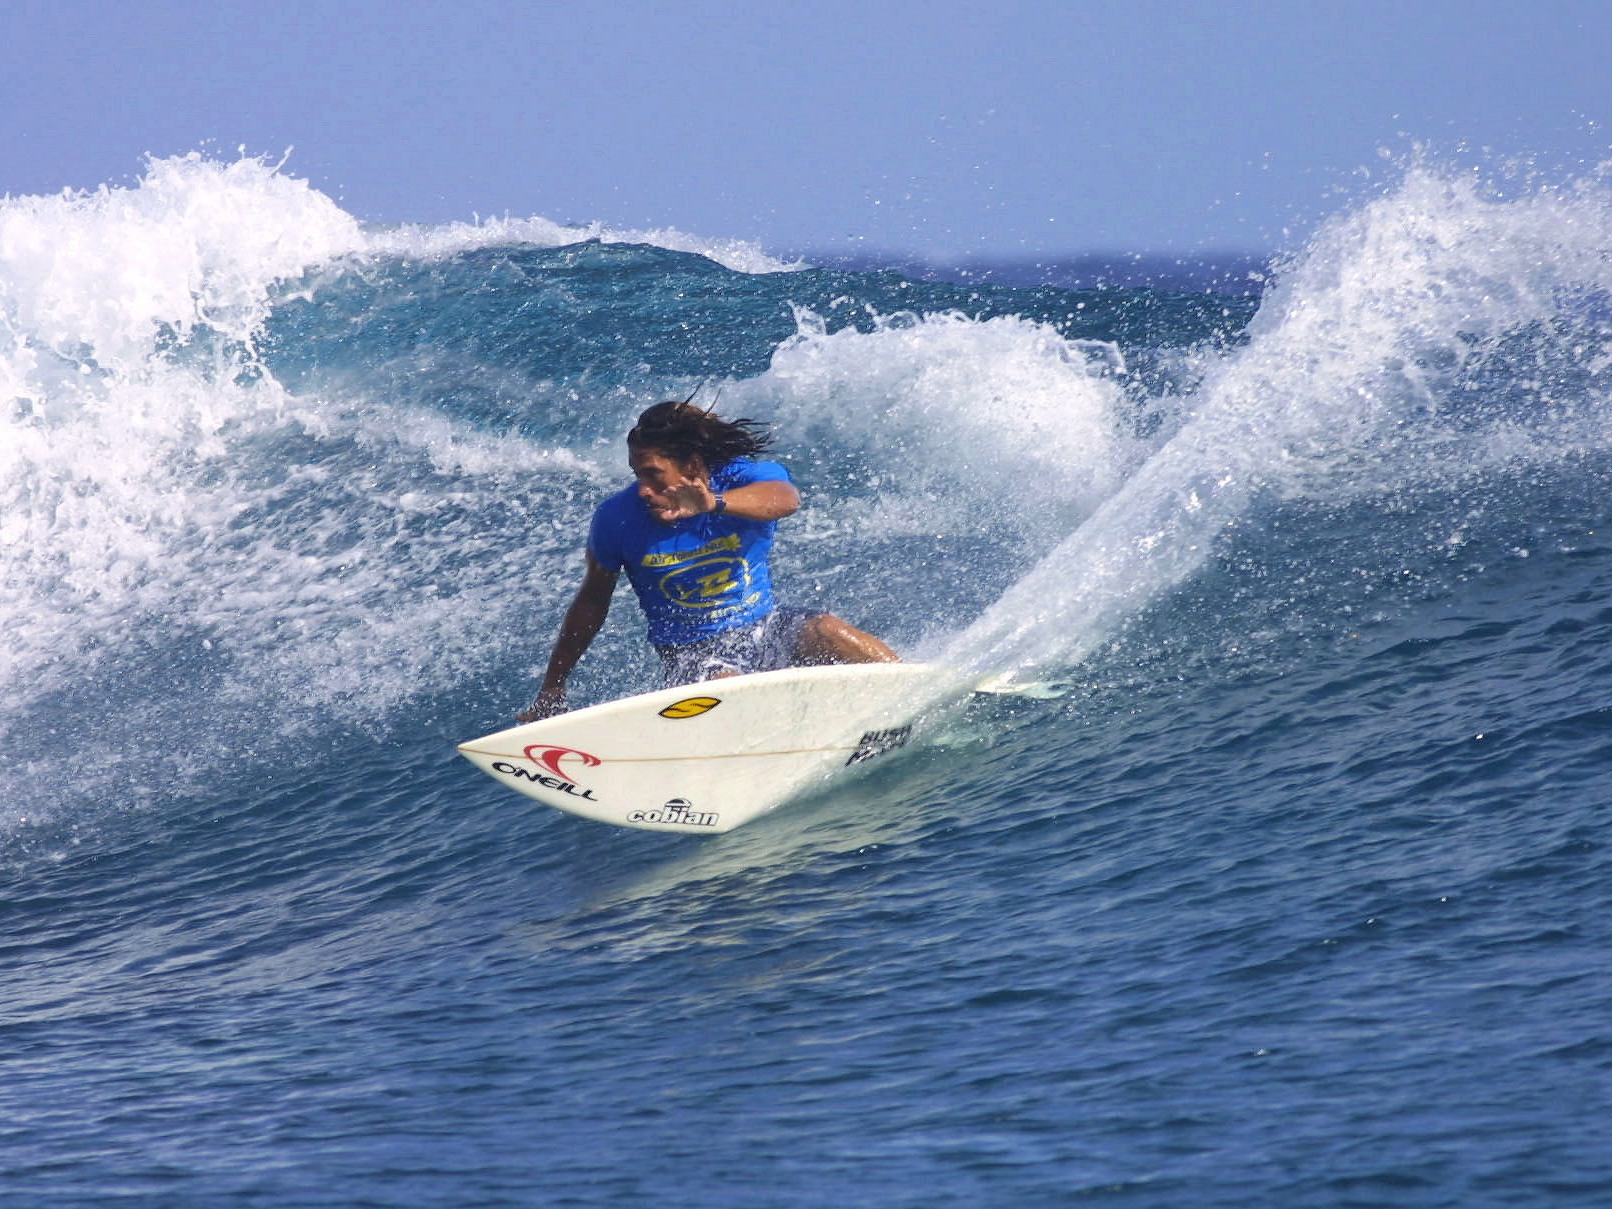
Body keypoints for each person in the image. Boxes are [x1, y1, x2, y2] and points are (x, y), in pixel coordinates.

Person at [519, 400, 898, 722]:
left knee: (828, 630)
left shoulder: (740, 480)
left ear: (692, 466)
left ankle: (905, 695)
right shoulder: (616, 519)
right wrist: (554, 685)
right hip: (693, 654)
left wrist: (712, 504)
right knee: (725, 686)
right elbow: (591, 603)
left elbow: (785, 499)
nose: (645, 490)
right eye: (637, 475)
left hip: (767, 626)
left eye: (654, 475)